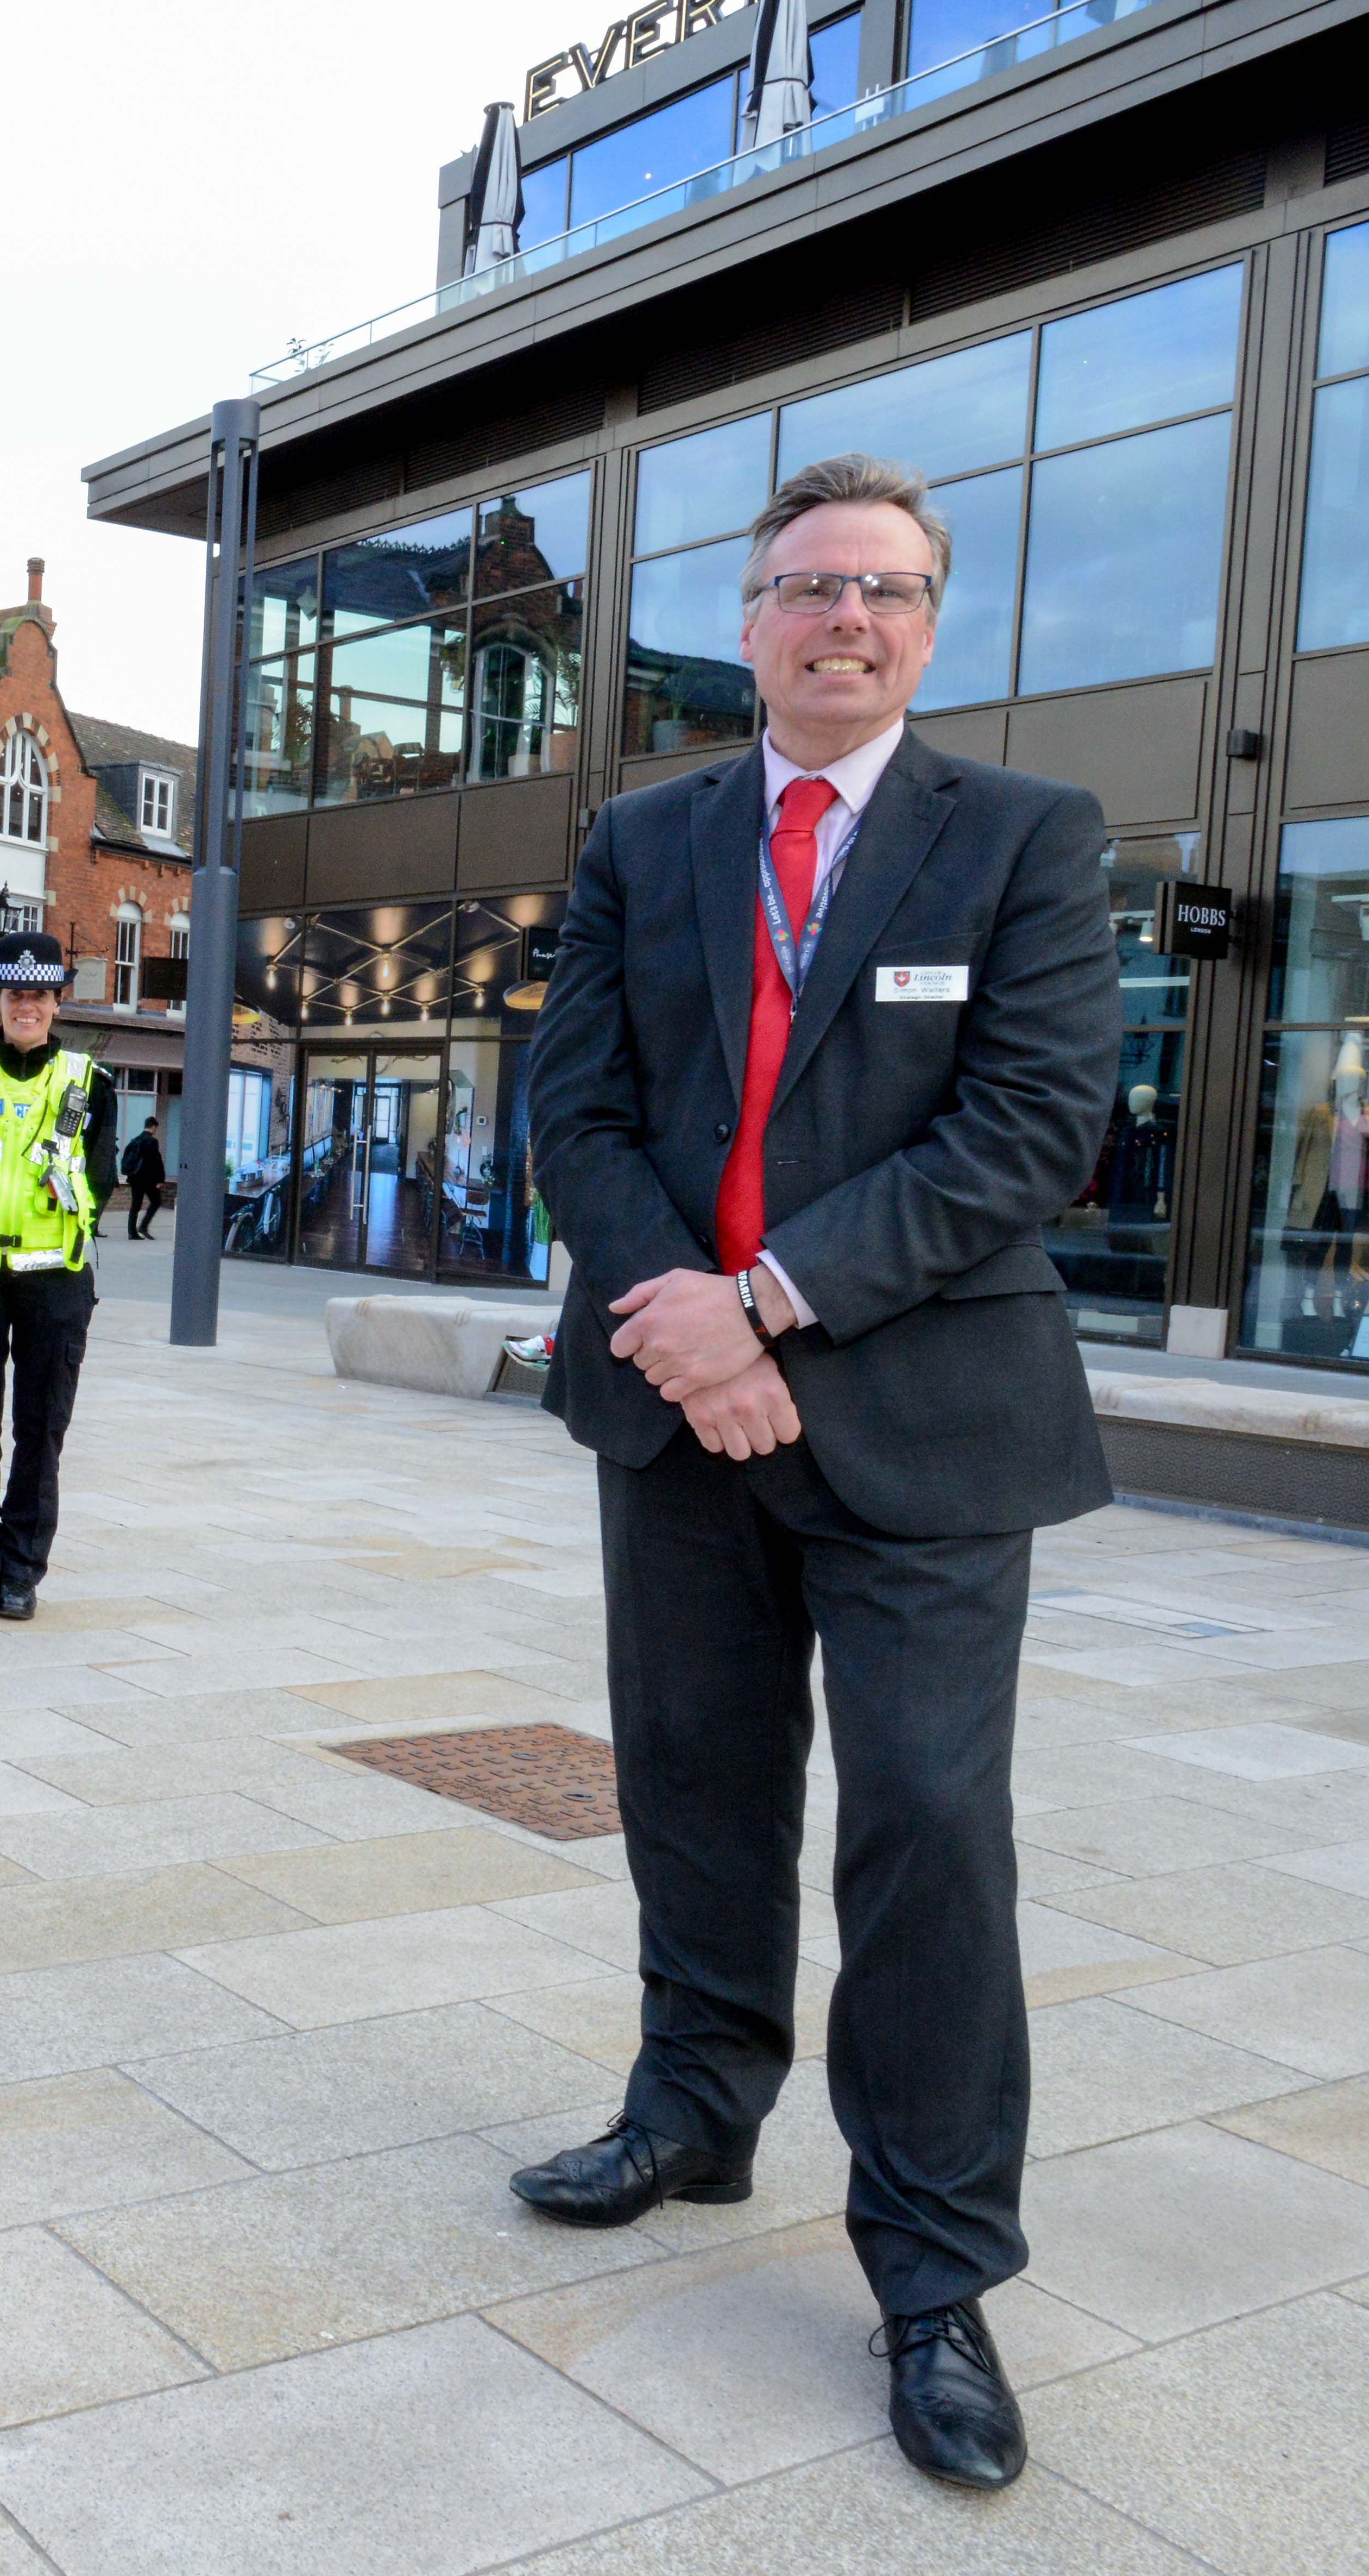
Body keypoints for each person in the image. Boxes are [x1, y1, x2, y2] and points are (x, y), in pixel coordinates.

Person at [516, 453, 1119, 2493]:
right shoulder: (644, 834)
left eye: (883, 588)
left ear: (930, 622)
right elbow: (576, 1110)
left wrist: (763, 1304)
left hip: (923, 1419)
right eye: (805, 587)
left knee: (930, 1831)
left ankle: (936, 2271)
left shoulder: (1026, 839)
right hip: (676, 1402)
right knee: (692, 1781)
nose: (843, 618)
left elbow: (1031, 1134)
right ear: (749, 618)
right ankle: (693, 2108)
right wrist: (683, 1315)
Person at [0, 929, 116, 1621]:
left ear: (57, 1002)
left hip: (53, 1280)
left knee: (41, 1430)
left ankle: (21, 1570)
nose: (25, 1007)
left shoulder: (89, 1083)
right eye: (13, 994)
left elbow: (99, 1176)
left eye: (38, 994)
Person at [118, 1119, 169, 1241]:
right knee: (156, 1202)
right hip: (148, 1179)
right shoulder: (151, 1141)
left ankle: (132, 1232)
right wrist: (160, 1179)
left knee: (135, 1205)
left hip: (135, 1178)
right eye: (156, 1128)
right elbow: (156, 1162)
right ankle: (143, 1226)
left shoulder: (135, 1140)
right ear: (153, 1127)